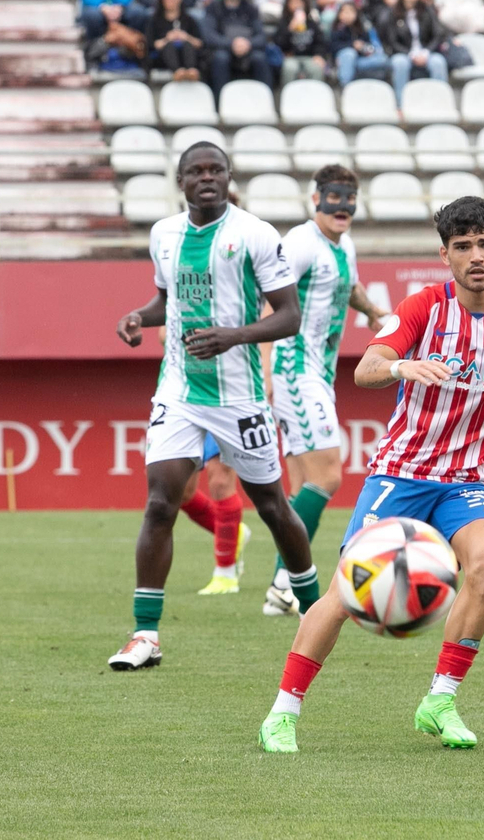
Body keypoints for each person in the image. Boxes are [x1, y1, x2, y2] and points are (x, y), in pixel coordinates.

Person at [256, 195, 484, 755]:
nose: (475, 256)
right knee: (343, 590)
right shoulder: (424, 308)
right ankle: (283, 712)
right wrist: (402, 365)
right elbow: (365, 369)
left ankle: (440, 699)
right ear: (445, 255)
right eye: (463, 247)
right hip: (401, 475)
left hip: (469, 480)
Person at [107, 141, 318, 671]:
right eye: (196, 171)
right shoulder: (164, 235)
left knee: (273, 507)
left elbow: (289, 315)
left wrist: (236, 336)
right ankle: (145, 635)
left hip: (239, 397)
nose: (207, 178)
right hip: (177, 393)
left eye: (216, 170)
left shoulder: (255, 234)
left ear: (229, 177)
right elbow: (166, 301)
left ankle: (315, 612)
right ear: (180, 181)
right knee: (161, 503)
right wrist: (138, 316)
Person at [262, 166, 388, 616]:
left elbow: (349, 286)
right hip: (293, 368)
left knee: (300, 485)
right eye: (334, 197)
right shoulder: (299, 242)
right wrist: (267, 371)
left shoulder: (344, 245)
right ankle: (284, 580)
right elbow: (268, 298)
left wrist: (373, 312)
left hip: (318, 370)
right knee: (328, 476)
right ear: (315, 199)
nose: (343, 206)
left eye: (350, 198)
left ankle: (283, 586)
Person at [185, 436, 251, 595]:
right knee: (179, 490)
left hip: (221, 411)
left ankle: (225, 575)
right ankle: (234, 533)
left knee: (220, 481)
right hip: (181, 411)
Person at [378, 0, 449, 108]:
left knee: (438, 62)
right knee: (400, 63)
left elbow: (438, 34)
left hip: (425, 52)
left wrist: (426, 52)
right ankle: (401, 104)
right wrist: (411, 54)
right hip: (403, 53)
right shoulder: (391, 13)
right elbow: (392, 41)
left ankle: (441, 103)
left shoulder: (428, 10)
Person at [205, 0, 274, 95]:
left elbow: (261, 36)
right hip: (222, 50)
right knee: (221, 58)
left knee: (260, 58)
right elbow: (209, 36)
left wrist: (248, 44)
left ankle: (266, 100)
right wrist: (232, 44)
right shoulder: (213, 8)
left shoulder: (251, 8)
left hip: (248, 50)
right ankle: (220, 103)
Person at [145, 0, 203, 81]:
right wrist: (167, 39)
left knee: (187, 45)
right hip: (163, 59)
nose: (171, 0)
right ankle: (177, 71)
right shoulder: (154, 20)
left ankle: (191, 70)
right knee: (170, 46)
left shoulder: (189, 20)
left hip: (187, 54)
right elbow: (150, 45)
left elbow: (200, 43)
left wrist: (186, 37)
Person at [329, 1, 389, 84]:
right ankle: (345, 85)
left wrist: (363, 47)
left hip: (360, 60)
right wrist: (352, 46)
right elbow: (333, 47)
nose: (348, 15)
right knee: (349, 54)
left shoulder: (362, 28)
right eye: (345, 12)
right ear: (339, 14)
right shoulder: (337, 29)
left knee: (382, 59)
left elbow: (370, 47)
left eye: (351, 11)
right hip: (343, 59)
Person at [277, 0, 328, 84]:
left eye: (299, 0)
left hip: (309, 57)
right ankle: (287, 95)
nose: (296, 3)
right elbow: (279, 44)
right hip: (291, 58)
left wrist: (319, 55)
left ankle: (316, 96)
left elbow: (320, 42)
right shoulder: (284, 23)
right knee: (290, 68)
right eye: (292, 0)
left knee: (316, 68)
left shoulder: (312, 22)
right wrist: (290, 29)